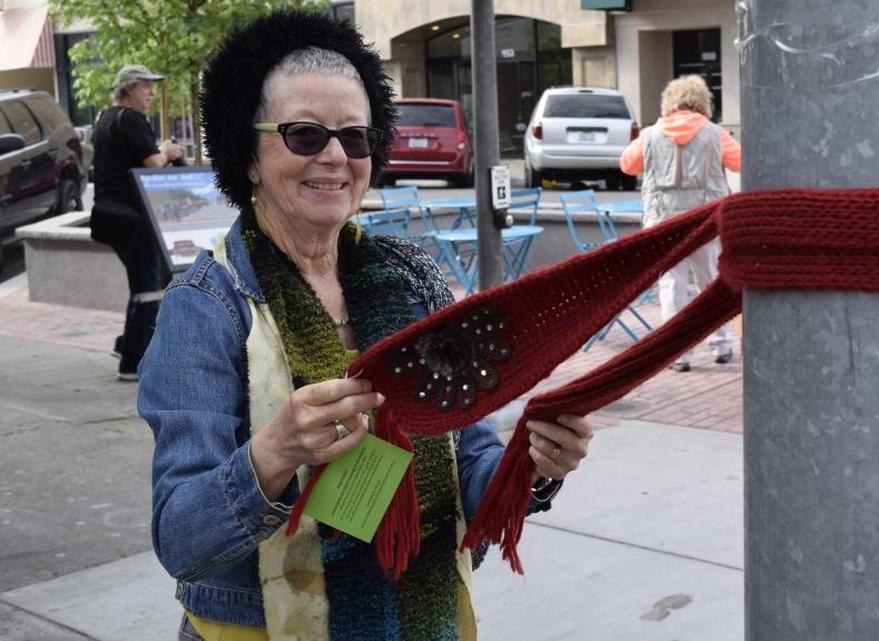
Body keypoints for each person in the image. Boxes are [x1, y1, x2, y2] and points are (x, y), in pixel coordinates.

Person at [137, 11, 592, 641]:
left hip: (423, 619)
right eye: (304, 135)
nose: (335, 156)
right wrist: (276, 451)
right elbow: (181, 539)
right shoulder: (206, 307)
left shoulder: (411, 282)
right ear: (247, 155)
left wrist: (533, 464)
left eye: (355, 138)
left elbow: (474, 464)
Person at [620, 75, 741, 372]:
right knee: (712, 281)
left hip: (663, 223)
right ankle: (722, 344)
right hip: (705, 221)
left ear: (669, 103)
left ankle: (678, 354)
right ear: (703, 103)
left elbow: (627, 165)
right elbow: (741, 162)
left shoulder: (649, 135)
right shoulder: (716, 134)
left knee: (672, 285)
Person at [90, 64, 185, 381]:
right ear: (129, 88)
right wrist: (169, 151)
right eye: (146, 86)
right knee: (147, 289)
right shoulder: (130, 119)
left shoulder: (106, 118)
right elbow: (154, 163)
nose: (151, 93)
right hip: (134, 217)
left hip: (110, 215)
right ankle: (133, 361)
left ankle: (126, 344)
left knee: (141, 285)